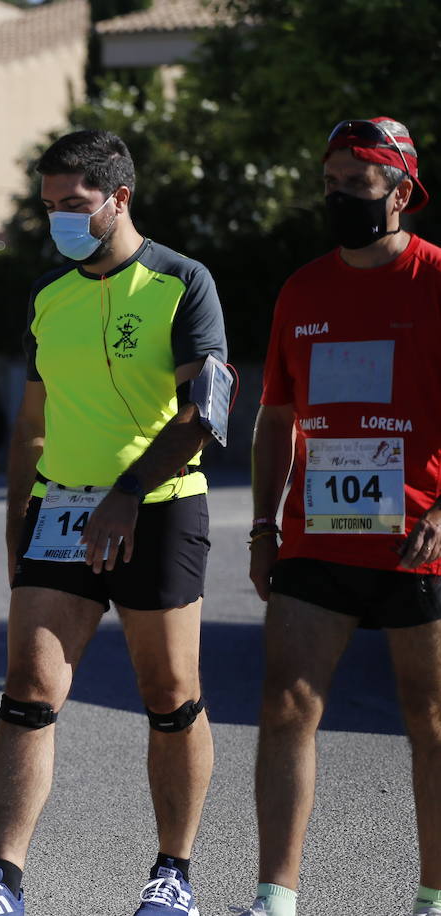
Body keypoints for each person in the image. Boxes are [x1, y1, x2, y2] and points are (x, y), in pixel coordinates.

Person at [0, 129, 228, 916]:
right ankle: (1, 879)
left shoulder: (182, 282)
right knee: (28, 690)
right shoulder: (47, 295)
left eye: (74, 204)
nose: (59, 219)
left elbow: (204, 415)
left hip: (159, 507)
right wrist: (15, 529)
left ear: (119, 198)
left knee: (170, 694)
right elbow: (31, 426)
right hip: (60, 512)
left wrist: (128, 491)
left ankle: (174, 874)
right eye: (49, 206)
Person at [235, 117, 441, 916]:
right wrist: (263, 527)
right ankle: (276, 897)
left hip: (417, 538)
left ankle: (432, 896)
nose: (339, 198)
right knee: (285, 705)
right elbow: (276, 417)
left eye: (357, 185)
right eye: (330, 185)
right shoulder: (303, 290)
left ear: (401, 193)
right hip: (319, 534)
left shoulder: (433, 279)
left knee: (430, 721)